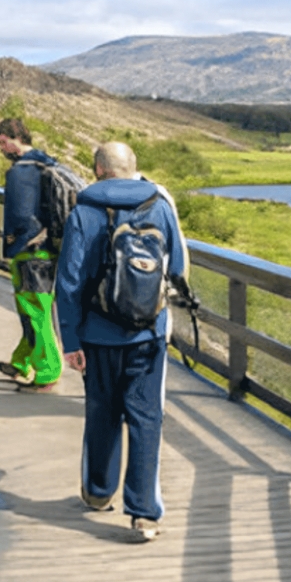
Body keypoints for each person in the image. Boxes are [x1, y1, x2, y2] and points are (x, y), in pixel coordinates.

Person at [55, 141, 187, 543]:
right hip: (147, 334)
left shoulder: (85, 212)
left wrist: (71, 340)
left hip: (97, 337)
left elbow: (69, 282)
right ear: (135, 168)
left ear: (97, 169)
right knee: (146, 419)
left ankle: (98, 492)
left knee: (102, 412)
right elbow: (177, 267)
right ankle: (144, 514)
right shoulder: (160, 206)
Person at [0, 117, 66, 393]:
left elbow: (21, 216)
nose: (1, 149)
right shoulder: (47, 163)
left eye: (2, 142)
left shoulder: (20, 171)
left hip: (31, 253)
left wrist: (14, 243)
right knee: (32, 311)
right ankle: (22, 362)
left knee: (36, 312)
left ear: (13, 138)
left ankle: (47, 372)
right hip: (49, 251)